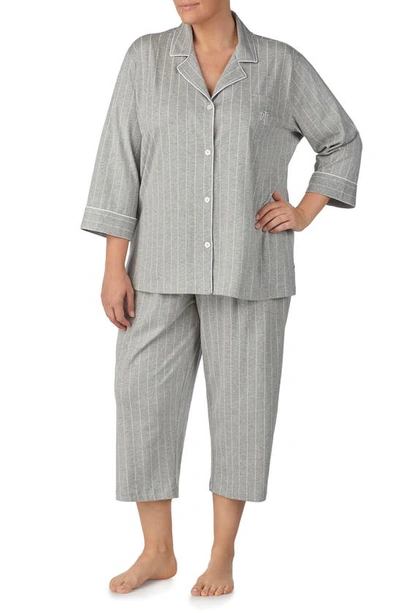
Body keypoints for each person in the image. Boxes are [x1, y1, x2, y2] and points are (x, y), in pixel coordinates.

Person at [80, 0, 362, 598]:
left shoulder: (280, 66)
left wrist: (304, 212)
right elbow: (118, 160)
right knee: (143, 403)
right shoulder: (145, 59)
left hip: (249, 268)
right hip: (156, 269)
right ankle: (157, 552)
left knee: (242, 410)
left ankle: (221, 554)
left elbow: (341, 141)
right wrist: (113, 268)